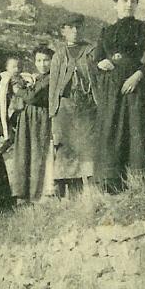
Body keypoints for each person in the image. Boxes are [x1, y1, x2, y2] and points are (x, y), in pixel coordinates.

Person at [92, 0, 145, 193]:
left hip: (135, 88)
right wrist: (102, 63)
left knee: (136, 129)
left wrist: (137, 76)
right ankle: (112, 184)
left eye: (133, 1)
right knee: (112, 130)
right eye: (124, 0)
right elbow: (96, 59)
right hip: (112, 90)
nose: (129, 5)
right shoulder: (106, 31)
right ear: (116, 4)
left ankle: (138, 182)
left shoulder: (143, 28)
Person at [49, 14, 97, 197]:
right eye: (71, 27)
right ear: (64, 31)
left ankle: (92, 194)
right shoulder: (59, 55)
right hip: (65, 107)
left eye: (78, 27)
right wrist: (53, 114)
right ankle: (68, 196)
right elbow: (53, 87)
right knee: (65, 149)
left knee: (88, 148)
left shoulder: (91, 50)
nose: (75, 31)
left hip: (87, 106)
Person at [10, 46, 55, 202]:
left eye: (46, 60)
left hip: (40, 118)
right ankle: (23, 195)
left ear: (52, 61)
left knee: (37, 154)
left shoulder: (50, 78)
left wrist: (17, 90)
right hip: (27, 118)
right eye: (39, 60)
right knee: (24, 153)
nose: (42, 64)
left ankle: (37, 195)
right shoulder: (37, 78)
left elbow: (31, 96)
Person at [0, 56, 27, 141]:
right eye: (13, 67)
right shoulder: (8, 79)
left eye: (19, 67)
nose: (17, 69)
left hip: (22, 106)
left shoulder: (21, 78)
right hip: (14, 106)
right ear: (7, 68)